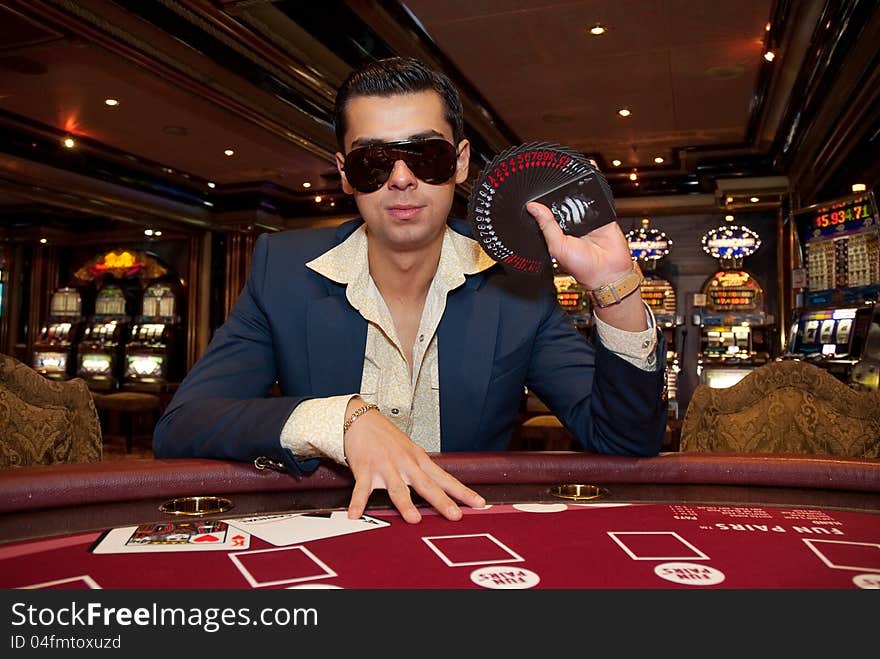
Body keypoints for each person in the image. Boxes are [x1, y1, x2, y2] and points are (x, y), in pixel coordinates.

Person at [153, 56, 667, 524]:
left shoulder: (518, 286)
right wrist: (341, 419)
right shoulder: (282, 271)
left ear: (461, 163)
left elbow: (624, 439)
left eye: (426, 155)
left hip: (465, 539)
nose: (401, 178)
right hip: (335, 533)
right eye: (372, 162)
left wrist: (612, 287)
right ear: (345, 175)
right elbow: (182, 425)